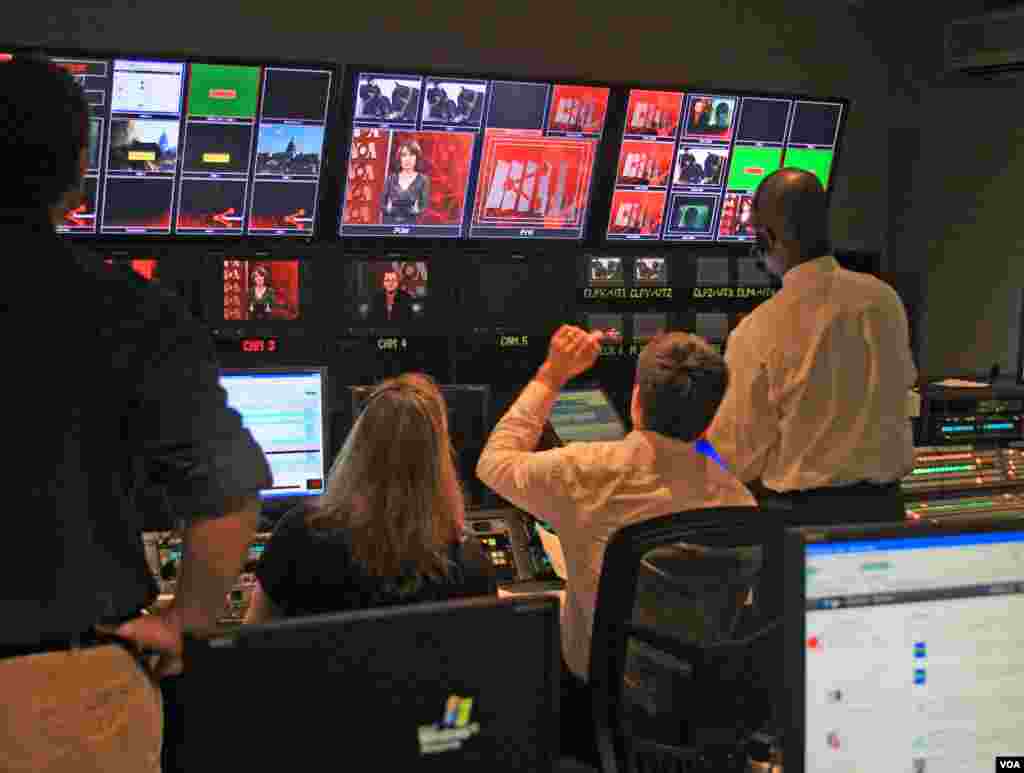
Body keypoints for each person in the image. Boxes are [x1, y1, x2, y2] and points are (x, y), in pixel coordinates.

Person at [0, 58, 271, 772]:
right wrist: (185, 617)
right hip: (67, 690)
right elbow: (229, 494)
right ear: (79, 170)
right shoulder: (131, 312)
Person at [476, 327, 755, 764]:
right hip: (702, 716)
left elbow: (493, 463)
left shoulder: (585, 470)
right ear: (711, 414)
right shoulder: (738, 499)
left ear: (636, 398)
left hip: (597, 713)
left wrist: (551, 376)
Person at [708, 167, 917, 528]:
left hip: (803, 524)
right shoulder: (883, 300)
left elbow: (737, 456)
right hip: (885, 515)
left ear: (766, 238)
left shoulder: (759, 329)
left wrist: (688, 449)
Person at [244, 373, 496, 623]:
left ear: (357, 444)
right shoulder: (469, 564)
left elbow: (252, 638)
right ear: (439, 461)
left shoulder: (299, 533)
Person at [381, 140, 430, 225]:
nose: (408, 159)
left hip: (412, 225)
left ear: (417, 157)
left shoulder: (423, 180)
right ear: (399, 158)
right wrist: (389, 210)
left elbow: (423, 207)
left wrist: (415, 210)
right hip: (390, 224)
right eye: (404, 155)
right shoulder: (391, 178)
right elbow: (382, 204)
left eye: (411, 155)